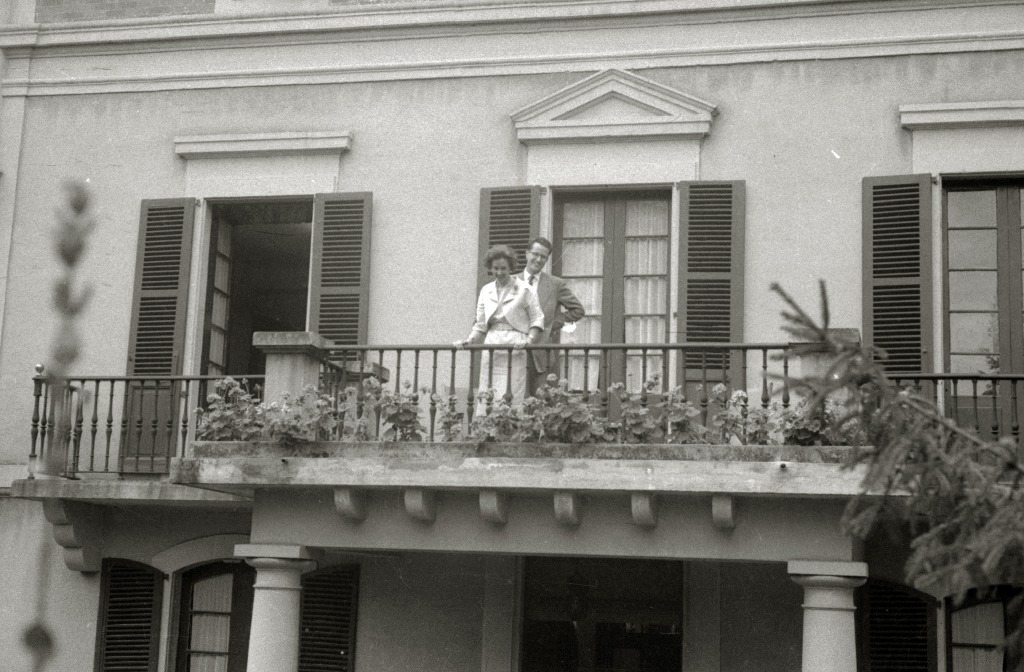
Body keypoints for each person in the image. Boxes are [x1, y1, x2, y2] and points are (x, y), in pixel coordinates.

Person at [455, 245, 544, 401]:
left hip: (516, 345)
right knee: (489, 391)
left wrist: (529, 341)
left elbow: (537, 318)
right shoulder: (486, 290)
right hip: (492, 345)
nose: (499, 272)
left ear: (511, 267)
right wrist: (469, 340)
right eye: (495, 268)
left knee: (513, 392)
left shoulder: (525, 290)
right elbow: (481, 325)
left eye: (503, 268)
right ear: (490, 267)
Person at [519, 237, 585, 395]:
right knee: (516, 400)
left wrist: (552, 324)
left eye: (543, 257)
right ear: (526, 254)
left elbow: (578, 310)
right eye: (535, 254)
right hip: (517, 350)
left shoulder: (555, 284)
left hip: (543, 353)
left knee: (544, 401)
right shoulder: (512, 281)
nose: (538, 259)